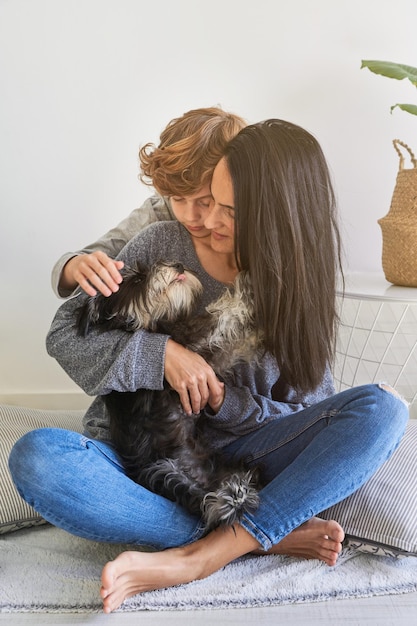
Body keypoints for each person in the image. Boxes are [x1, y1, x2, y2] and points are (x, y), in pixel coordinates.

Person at [9, 119, 409, 614]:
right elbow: (67, 335)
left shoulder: (296, 287)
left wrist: (223, 400)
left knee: (383, 410)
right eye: (208, 200)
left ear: (275, 217)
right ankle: (260, 535)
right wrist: (161, 357)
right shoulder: (160, 243)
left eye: (229, 210)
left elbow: (305, 410)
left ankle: (203, 556)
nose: (206, 220)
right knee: (38, 459)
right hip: (140, 459)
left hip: (246, 456)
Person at [52, 106, 247, 299]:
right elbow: (84, 260)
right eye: (178, 199)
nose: (190, 216)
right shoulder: (158, 214)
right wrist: (76, 266)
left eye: (205, 202)